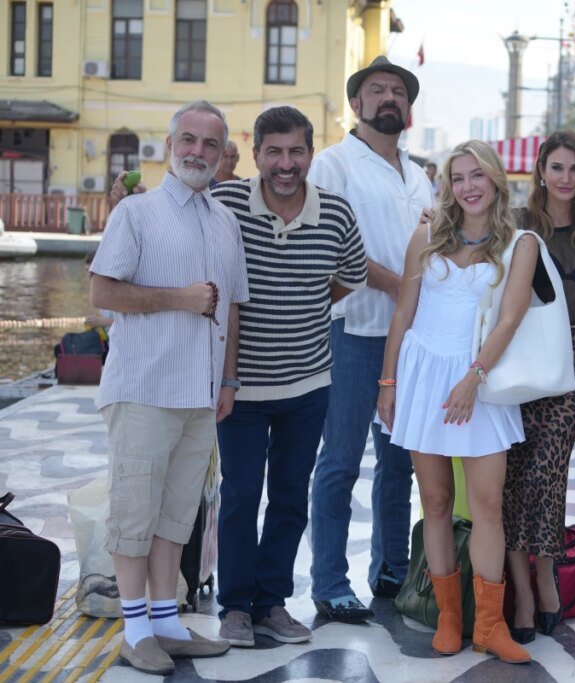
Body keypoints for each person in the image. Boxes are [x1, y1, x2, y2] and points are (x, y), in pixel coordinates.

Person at [89, 99, 246, 675]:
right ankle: (135, 632)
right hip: (145, 389)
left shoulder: (225, 220)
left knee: (177, 516)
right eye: (189, 140)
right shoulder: (136, 213)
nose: (198, 152)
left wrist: (227, 379)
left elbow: (231, 307)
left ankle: (166, 623)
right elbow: (102, 292)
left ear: (222, 153)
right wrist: (180, 298)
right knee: (134, 514)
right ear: (170, 143)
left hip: (200, 395)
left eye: (210, 144)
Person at [208, 108, 367, 646]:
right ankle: (235, 606)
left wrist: (305, 303)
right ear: (256, 154)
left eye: (296, 151)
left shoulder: (335, 212)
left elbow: (350, 276)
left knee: (290, 497)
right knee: (240, 496)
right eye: (273, 151)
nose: (285, 163)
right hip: (240, 387)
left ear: (311, 154)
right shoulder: (227, 204)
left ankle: (271, 603)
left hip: (307, 384)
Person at [377, 140, 536, 664]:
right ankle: (447, 616)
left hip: (480, 381)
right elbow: (404, 312)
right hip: (423, 377)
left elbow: (510, 319)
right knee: (437, 501)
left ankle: (489, 625)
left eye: (477, 175)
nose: (468, 187)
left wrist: (473, 378)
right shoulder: (426, 234)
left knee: (488, 504)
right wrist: (388, 382)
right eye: (458, 177)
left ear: (495, 180)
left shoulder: (519, 243)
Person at [307, 56, 433, 621]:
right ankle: (330, 582)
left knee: (400, 462)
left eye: (399, 92)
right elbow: (325, 247)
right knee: (339, 460)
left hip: (411, 340)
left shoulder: (419, 174)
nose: (390, 98)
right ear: (356, 104)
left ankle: (390, 570)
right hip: (353, 333)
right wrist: (397, 286)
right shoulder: (333, 165)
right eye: (378, 89)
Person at [502, 131, 575, 643]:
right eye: (557, 167)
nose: (566, 178)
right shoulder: (515, 223)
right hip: (521, 360)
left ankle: (545, 575)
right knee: (515, 474)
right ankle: (523, 590)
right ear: (541, 170)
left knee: (548, 467)